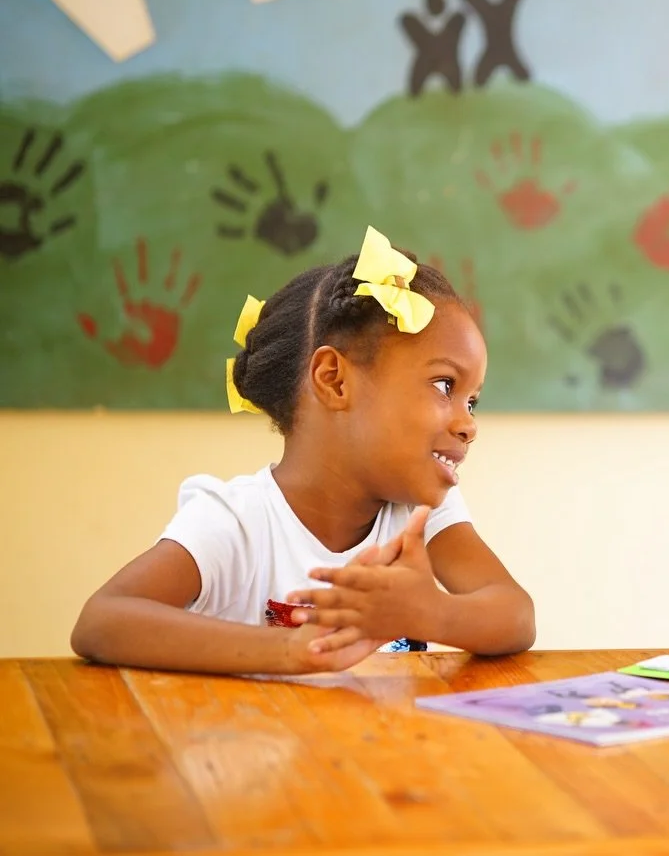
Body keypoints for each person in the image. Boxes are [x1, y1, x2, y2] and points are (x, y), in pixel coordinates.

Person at [72, 226, 534, 674]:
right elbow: (102, 621)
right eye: (444, 385)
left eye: (472, 400)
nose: (469, 424)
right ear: (334, 379)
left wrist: (432, 614)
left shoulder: (417, 516)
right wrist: (292, 651)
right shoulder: (238, 523)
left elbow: (516, 616)